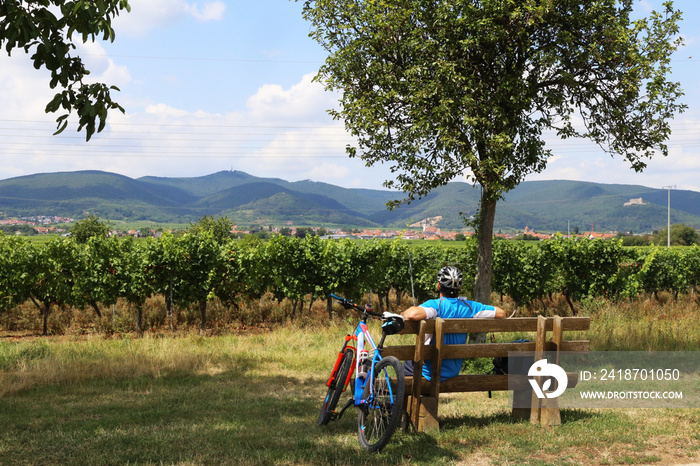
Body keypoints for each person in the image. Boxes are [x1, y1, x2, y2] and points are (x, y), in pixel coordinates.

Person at [400, 265, 506, 381]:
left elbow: (412, 314)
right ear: (459, 288)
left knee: (409, 360)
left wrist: (402, 313)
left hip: (428, 373)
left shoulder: (436, 306)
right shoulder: (470, 307)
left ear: (439, 286)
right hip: (452, 371)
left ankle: (399, 398)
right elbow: (501, 313)